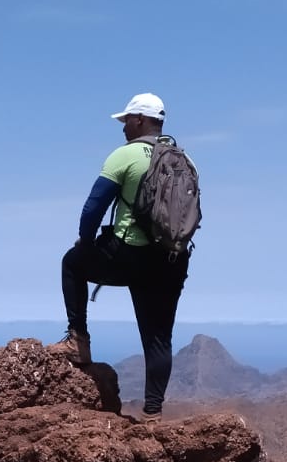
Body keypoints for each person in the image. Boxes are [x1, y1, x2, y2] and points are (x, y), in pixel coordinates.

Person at [59, 91, 191, 418]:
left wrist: (85, 242)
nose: (123, 127)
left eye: (127, 120)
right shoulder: (183, 160)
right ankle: (153, 414)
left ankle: (78, 341)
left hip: (129, 254)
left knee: (72, 263)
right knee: (159, 338)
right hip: (171, 260)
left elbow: (93, 207)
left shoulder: (125, 155)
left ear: (140, 120)